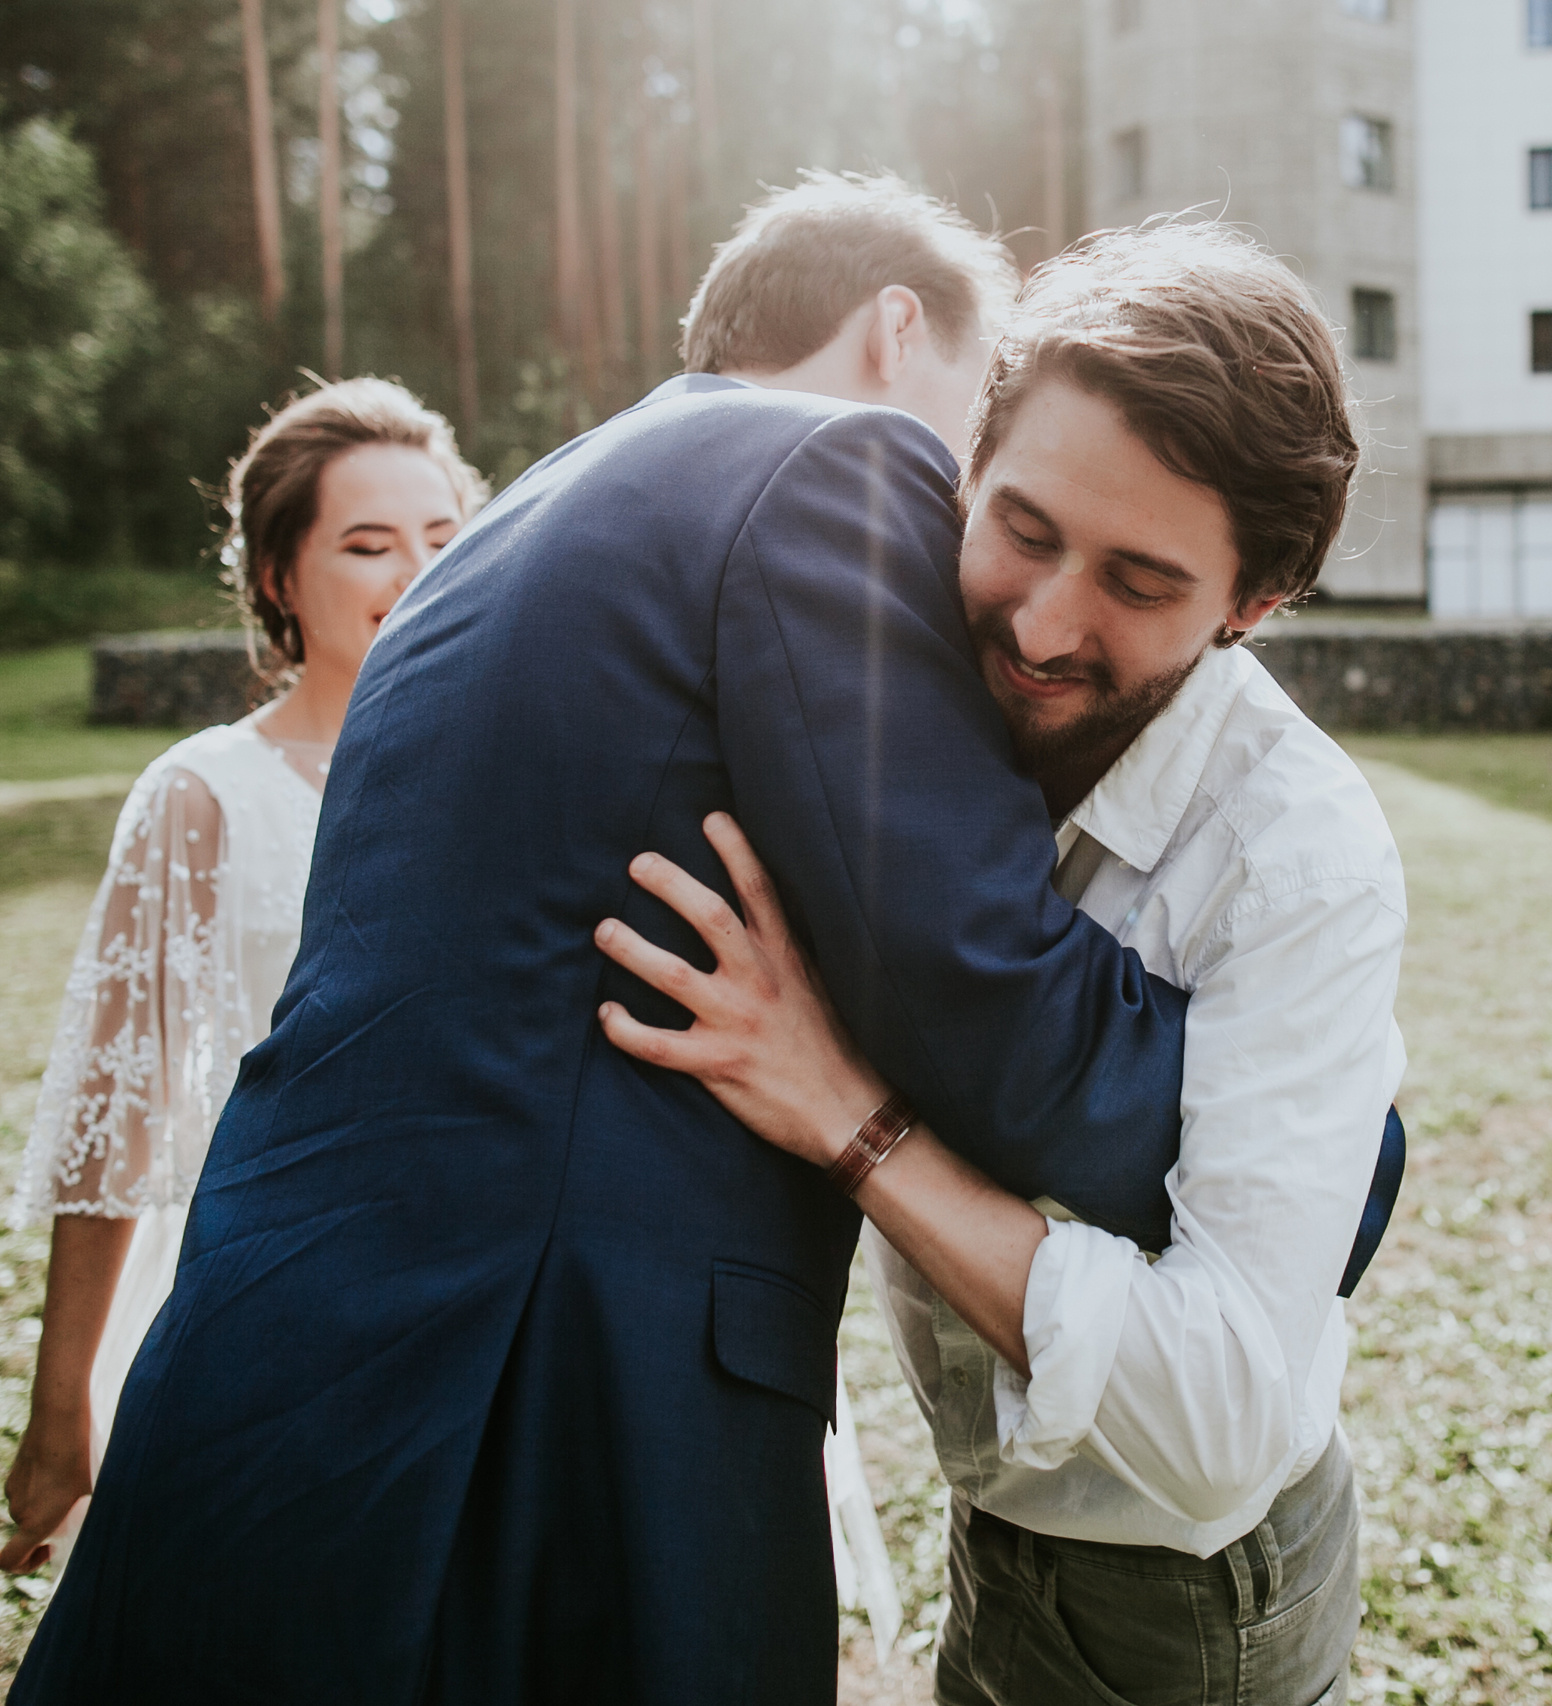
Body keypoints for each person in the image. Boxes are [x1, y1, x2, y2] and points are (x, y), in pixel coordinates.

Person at [7, 172, 1195, 1706]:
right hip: (545, 1419)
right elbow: (978, 983)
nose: (979, 500)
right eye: (983, 420)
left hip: (289, 1368)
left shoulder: (519, 520)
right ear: (899, 331)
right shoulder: (838, 458)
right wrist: (1311, 1142)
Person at [598, 224, 1403, 1706]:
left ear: (1253, 606)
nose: (1041, 625)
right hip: (1003, 1525)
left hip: (1182, 1598)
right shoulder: (899, 684)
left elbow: (1219, 1410)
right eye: (1022, 528)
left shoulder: (1299, 857)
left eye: (1140, 583)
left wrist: (850, 1121)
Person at [0, 379, 485, 1576]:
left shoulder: (513, 768)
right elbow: (116, 1116)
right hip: (268, 1308)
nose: (413, 571)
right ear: (276, 577)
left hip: (473, 1302)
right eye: (368, 544)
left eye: (441, 538)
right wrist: (61, 1404)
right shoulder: (204, 795)